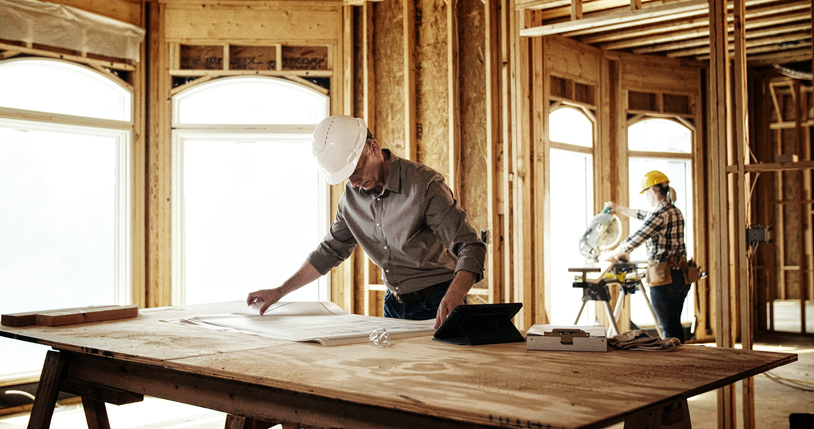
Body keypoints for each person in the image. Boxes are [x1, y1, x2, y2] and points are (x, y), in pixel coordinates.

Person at [246, 115, 486, 329]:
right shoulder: (350, 200)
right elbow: (329, 251)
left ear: (374, 147)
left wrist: (456, 294)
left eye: (357, 169)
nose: (353, 183)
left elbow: (470, 246)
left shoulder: (423, 185)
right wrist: (280, 291)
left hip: (439, 301)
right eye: (346, 176)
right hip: (393, 304)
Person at [600, 170, 691, 343]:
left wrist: (611, 255)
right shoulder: (674, 211)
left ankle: (672, 367)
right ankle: (682, 363)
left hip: (665, 278)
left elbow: (635, 239)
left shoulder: (660, 215)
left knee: (668, 329)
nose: (646, 197)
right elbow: (643, 215)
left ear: (653, 191)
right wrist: (618, 208)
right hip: (682, 276)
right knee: (674, 325)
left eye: (646, 193)